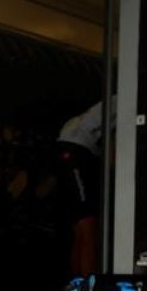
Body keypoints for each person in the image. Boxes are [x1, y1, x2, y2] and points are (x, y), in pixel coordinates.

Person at [56, 99, 113, 276]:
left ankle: (77, 287)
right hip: (76, 151)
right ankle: (88, 290)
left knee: (81, 231)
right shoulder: (127, 103)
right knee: (89, 228)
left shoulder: (108, 107)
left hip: (71, 150)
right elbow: (114, 156)